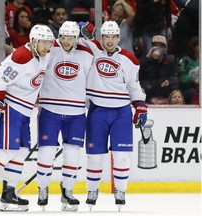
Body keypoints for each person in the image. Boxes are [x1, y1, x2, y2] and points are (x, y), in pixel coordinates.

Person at [0, 24, 54, 212]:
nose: (48, 47)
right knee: (6, 150)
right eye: (44, 43)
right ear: (34, 41)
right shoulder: (22, 57)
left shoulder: (43, 56)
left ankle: (8, 194)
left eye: (49, 42)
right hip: (11, 108)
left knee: (21, 150)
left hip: (25, 111)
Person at [79, 21, 147, 211]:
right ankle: (92, 190)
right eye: (106, 36)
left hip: (121, 112)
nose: (109, 40)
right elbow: (70, 39)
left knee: (122, 156)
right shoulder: (92, 49)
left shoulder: (130, 60)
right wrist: (83, 27)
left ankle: (120, 191)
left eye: (113, 36)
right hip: (97, 111)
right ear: (101, 37)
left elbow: (133, 87)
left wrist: (140, 106)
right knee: (94, 156)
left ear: (118, 38)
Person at [36, 21, 93, 211]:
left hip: (76, 111)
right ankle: (42, 188)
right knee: (46, 152)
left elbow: (103, 52)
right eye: (63, 37)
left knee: (73, 153)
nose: (66, 41)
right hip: (50, 109)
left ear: (77, 38)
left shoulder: (86, 53)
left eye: (70, 37)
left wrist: (91, 32)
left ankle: (67, 191)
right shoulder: (50, 48)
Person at [139, 35, 179, 103]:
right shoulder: (145, 59)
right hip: (149, 87)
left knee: (175, 88)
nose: (158, 48)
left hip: (163, 87)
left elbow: (175, 77)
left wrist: (168, 81)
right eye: (155, 46)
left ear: (165, 48)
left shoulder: (170, 60)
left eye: (161, 46)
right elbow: (138, 74)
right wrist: (147, 58)